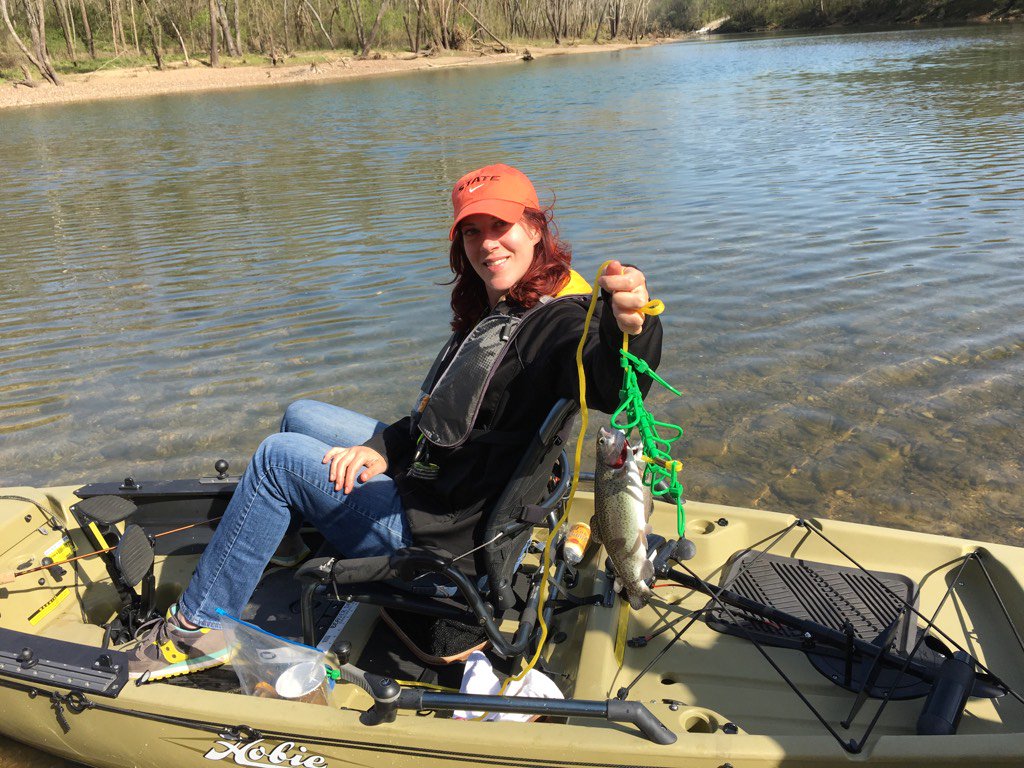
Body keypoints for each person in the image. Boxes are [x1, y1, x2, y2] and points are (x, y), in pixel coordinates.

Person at [128, 163, 663, 680]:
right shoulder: (503, 311)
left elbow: (615, 379)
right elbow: (441, 421)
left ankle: (194, 631)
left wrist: (635, 330)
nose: (487, 244)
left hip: (442, 534)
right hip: (444, 482)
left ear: (534, 228)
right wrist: (383, 447)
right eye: (472, 232)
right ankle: (276, 534)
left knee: (275, 460)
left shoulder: (560, 325)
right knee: (301, 415)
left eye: (500, 226)